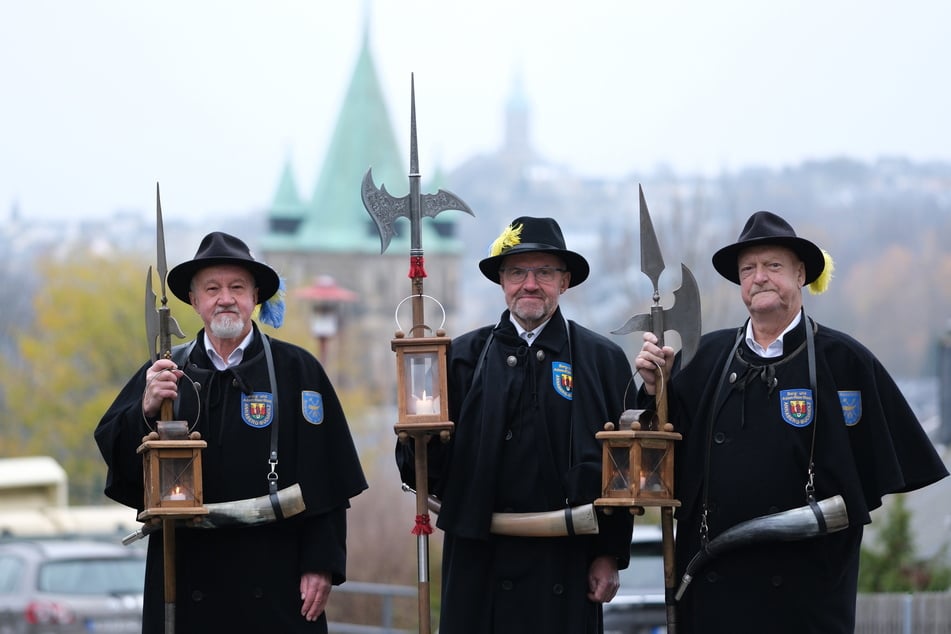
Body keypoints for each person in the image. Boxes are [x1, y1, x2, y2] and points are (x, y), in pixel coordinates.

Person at [634, 211, 949, 633]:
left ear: (801, 275)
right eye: (749, 269)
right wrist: (655, 387)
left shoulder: (845, 362)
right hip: (715, 591)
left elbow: (873, 480)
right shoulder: (702, 359)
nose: (759, 277)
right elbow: (657, 448)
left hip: (807, 596)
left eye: (773, 266)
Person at [95, 232, 368, 634]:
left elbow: (326, 475)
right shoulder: (165, 372)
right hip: (185, 570)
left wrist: (320, 562)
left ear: (255, 296)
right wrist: (145, 411)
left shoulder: (297, 370)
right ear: (194, 300)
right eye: (212, 288)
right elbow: (115, 451)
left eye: (237, 287)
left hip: (276, 574)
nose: (226, 298)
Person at [397, 217, 636, 634]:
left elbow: (623, 471)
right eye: (516, 272)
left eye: (544, 272)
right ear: (501, 282)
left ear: (564, 282)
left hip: (567, 562)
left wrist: (609, 554)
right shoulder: (458, 358)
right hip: (480, 565)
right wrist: (422, 442)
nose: (529, 284)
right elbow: (421, 472)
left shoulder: (603, 360)